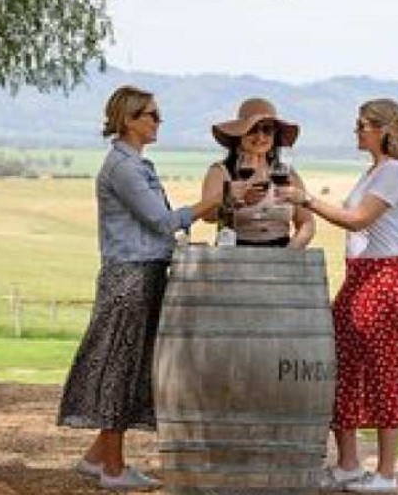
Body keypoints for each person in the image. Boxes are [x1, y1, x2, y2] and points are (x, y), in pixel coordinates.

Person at [59, 85, 222, 492]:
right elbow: (161, 221)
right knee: (120, 367)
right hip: (130, 278)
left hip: (142, 273)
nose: (157, 122)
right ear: (128, 120)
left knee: (130, 367)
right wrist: (212, 202)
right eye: (151, 115)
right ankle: (114, 470)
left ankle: (98, 458)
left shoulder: (134, 164)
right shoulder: (125, 169)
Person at [280, 98, 398, 494]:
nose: (356, 131)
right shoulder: (374, 172)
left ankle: (387, 474)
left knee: (384, 369)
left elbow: (359, 220)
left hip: (385, 279)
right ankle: (347, 464)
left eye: (362, 125)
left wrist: (306, 200)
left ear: (385, 129)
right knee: (345, 365)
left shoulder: (393, 173)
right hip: (360, 277)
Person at [201, 97, 315, 248]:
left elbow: (306, 222)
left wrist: (290, 252)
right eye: (252, 130)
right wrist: (234, 202)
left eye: (267, 130)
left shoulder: (287, 174)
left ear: (274, 136)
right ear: (240, 134)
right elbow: (207, 216)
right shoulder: (220, 171)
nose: (260, 137)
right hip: (234, 254)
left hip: (280, 254)